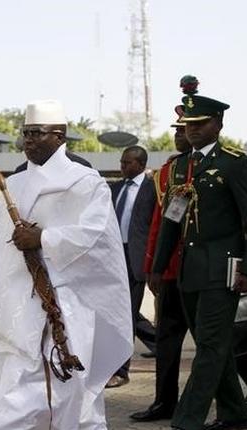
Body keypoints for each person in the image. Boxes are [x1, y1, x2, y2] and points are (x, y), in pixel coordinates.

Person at [0, 100, 133, 430]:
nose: (28, 140)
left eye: (36, 133)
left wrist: (44, 238)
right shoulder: (14, 185)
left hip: (63, 312)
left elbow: (96, 240)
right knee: (14, 392)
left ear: (58, 135)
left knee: (67, 400)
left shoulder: (85, 183)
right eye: (25, 133)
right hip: (12, 310)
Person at [151, 85, 247, 430]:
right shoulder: (178, 169)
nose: (193, 129)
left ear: (218, 123)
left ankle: (186, 420)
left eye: (200, 123)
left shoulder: (234, 164)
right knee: (211, 346)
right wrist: (157, 269)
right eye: (188, 124)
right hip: (189, 271)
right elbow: (172, 220)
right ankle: (234, 414)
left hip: (223, 270)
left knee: (210, 348)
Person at [130, 108, 191, 421]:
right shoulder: (169, 170)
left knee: (223, 340)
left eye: (184, 130)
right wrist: (153, 265)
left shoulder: (221, 166)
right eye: (177, 130)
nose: (178, 136)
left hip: (204, 271)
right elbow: (159, 223)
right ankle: (164, 402)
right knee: (166, 342)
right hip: (170, 271)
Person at [107, 145, 157, 389]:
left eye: (127, 163)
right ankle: (159, 343)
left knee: (125, 315)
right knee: (123, 311)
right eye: (121, 162)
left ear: (140, 164)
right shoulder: (115, 188)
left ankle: (121, 370)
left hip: (136, 259)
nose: (122, 166)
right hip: (114, 256)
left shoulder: (152, 189)